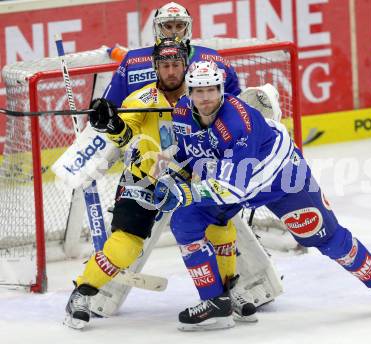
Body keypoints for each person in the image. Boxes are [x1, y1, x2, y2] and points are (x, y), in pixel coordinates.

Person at [152, 60, 371, 331]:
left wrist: (183, 192)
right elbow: (190, 155)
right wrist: (167, 172)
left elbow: (233, 190)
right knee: (185, 221)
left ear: (221, 89)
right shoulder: (182, 111)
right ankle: (215, 304)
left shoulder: (237, 122)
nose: (205, 98)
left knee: (326, 238)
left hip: (282, 180)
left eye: (211, 90)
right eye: (199, 91)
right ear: (189, 93)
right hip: (233, 179)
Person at [63, 38, 255, 330]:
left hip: (193, 178)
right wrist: (111, 123)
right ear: (155, 67)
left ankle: (228, 292)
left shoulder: (203, 97)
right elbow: (126, 136)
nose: (171, 71)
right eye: (164, 65)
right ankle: (81, 294)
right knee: (125, 245)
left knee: (221, 227)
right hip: (146, 176)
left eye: (176, 64)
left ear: (185, 65)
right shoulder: (139, 100)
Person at [103, 1, 240, 107]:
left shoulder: (215, 60)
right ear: (158, 28)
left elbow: (237, 103)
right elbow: (110, 106)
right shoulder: (132, 62)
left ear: (187, 28)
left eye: (180, 26)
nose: (174, 32)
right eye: (168, 26)